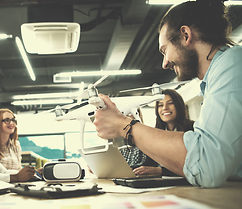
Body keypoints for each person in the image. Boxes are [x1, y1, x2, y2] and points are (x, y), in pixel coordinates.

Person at [93, 0, 242, 188]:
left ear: (186, 35)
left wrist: (125, 126)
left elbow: (206, 166)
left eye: (165, 50)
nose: (165, 63)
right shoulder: (217, 77)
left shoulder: (233, 63)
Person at [125, 89, 194, 176]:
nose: (165, 108)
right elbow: (149, 162)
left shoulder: (192, 129)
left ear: (179, 106)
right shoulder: (155, 133)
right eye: (160, 105)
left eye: (170, 103)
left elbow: (194, 166)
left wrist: (160, 170)